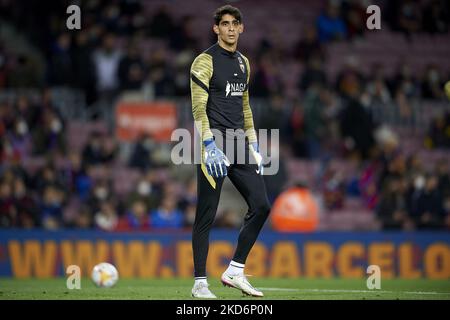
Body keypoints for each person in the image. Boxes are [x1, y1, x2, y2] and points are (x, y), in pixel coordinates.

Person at [189, 5, 271, 298]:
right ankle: (200, 283)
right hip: (215, 144)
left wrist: (253, 143)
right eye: (225, 24)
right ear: (216, 29)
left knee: (262, 205)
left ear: (242, 27)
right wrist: (208, 145)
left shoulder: (244, 63)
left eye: (235, 23)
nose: (231, 28)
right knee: (206, 215)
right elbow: (198, 108)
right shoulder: (204, 61)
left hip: (239, 144)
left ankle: (235, 270)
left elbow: (244, 106)